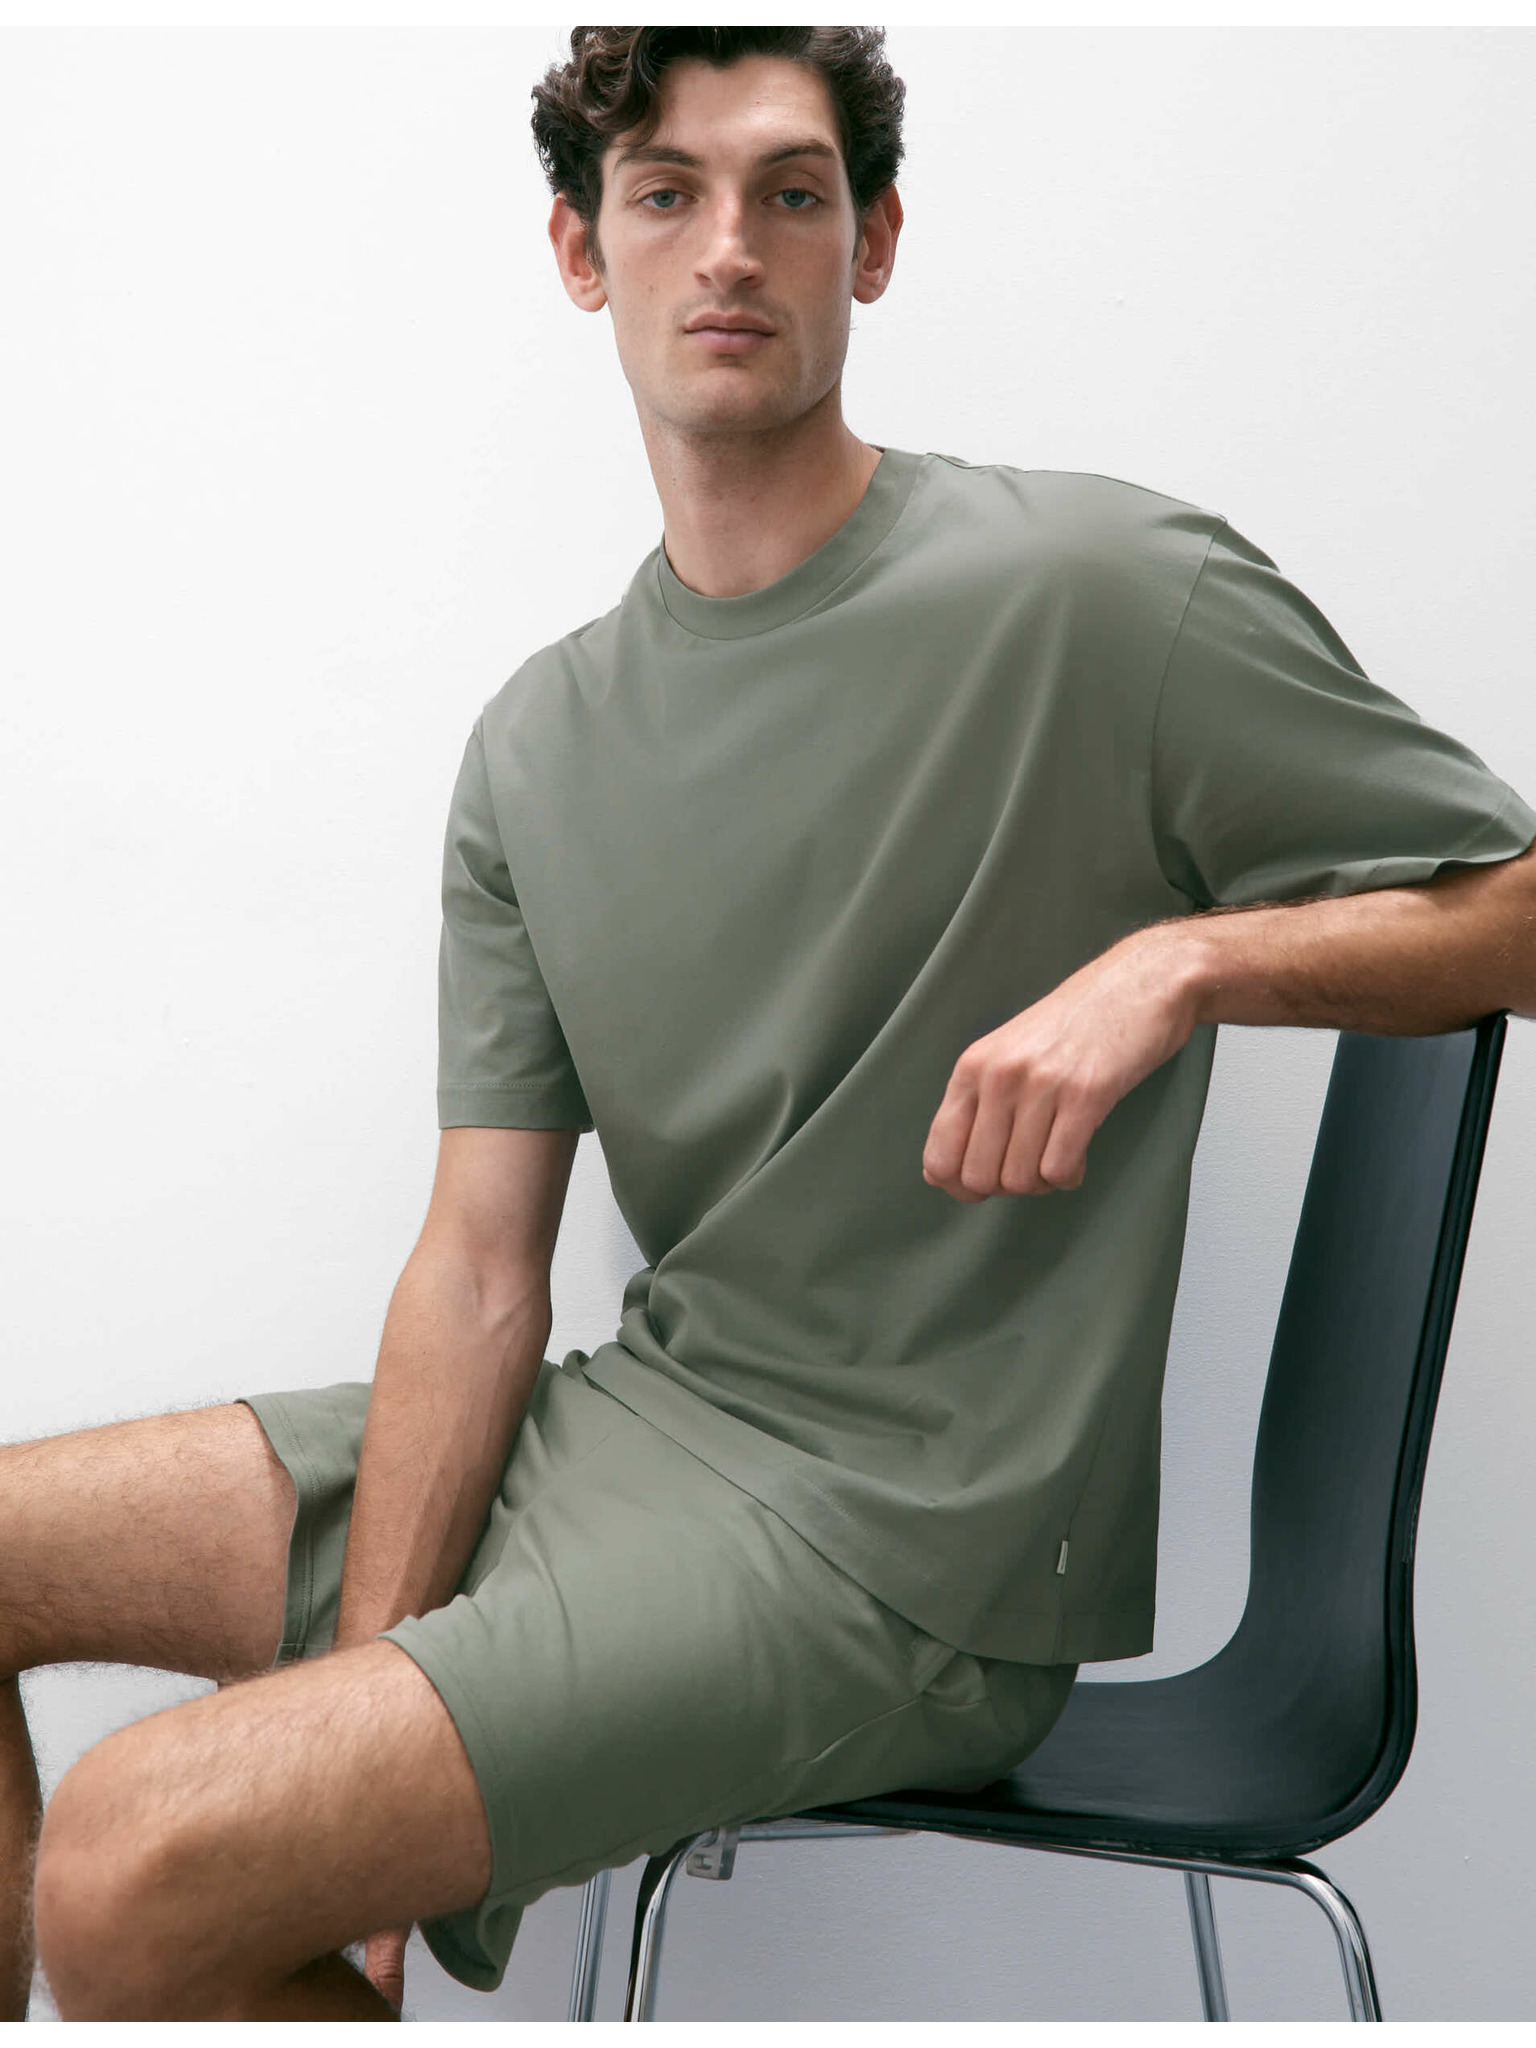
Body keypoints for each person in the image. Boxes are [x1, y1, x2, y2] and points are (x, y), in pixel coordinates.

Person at [6, 27, 1536, 2023]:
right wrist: (364, 1706)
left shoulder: (1098, 595)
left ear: (869, 244)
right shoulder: (540, 743)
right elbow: (478, 1268)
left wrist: (1187, 964)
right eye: (667, 193)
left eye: (790, 193)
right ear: (584, 251)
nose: (728, 244)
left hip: (917, 1548)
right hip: (644, 1431)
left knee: (128, 1860)